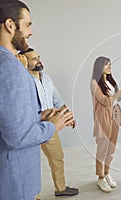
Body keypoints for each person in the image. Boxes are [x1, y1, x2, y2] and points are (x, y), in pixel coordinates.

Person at [0, 1, 74, 200]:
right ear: (10, 25)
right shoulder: (11, 69)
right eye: (28, 24)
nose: (31, 32)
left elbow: (7, 117)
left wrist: (39, 115)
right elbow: (16, 137)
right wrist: (54, 125)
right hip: (16, 183)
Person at [18, 48, 79, 198]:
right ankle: (34, 196)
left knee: (57, 157)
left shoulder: (47, 79)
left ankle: (61, 188)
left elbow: (57, 100)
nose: (38, 60)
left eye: (38, 57)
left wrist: (68, 115)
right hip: (30, 128)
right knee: (30, 166)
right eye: (33, 58)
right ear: (25, 62)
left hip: (49, 125)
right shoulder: (22, 81)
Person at [91, 56, 121, 193]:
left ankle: (106, 173)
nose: (110, 67)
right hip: (103, 117)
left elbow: (117, 98)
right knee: (103, 148)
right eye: (107, 65)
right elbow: (105, 101)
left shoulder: (110, 81)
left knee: (111, 147)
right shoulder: (94, 83)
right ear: (100, 67)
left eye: (110, 64)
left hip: (115, 115)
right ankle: (100, 177)